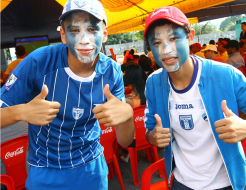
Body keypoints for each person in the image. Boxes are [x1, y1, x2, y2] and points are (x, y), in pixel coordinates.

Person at [0, 0, 135, 189]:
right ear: (62, 35)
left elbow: (124, 140)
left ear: (104, 34)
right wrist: (21, 112)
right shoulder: (38, 62)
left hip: (91, 168)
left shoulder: (111, 71)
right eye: (73, 30)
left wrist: (128, 116)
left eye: (92, 29)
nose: (84, 39)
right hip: (45, 168)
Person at [143, 6, 246, 190]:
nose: (166, 50)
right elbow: (150, 131)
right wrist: (153, 137)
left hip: (228, 182)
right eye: (156, 43)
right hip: (180, 183)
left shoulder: (227, 75)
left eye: (173, 38)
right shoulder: (153, 83)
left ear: (190, 37)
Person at [121, 63, 147, 162]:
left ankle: (125, 154)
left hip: (133, 140)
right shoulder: (147, 94)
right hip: (148, 134)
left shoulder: (128, 100)